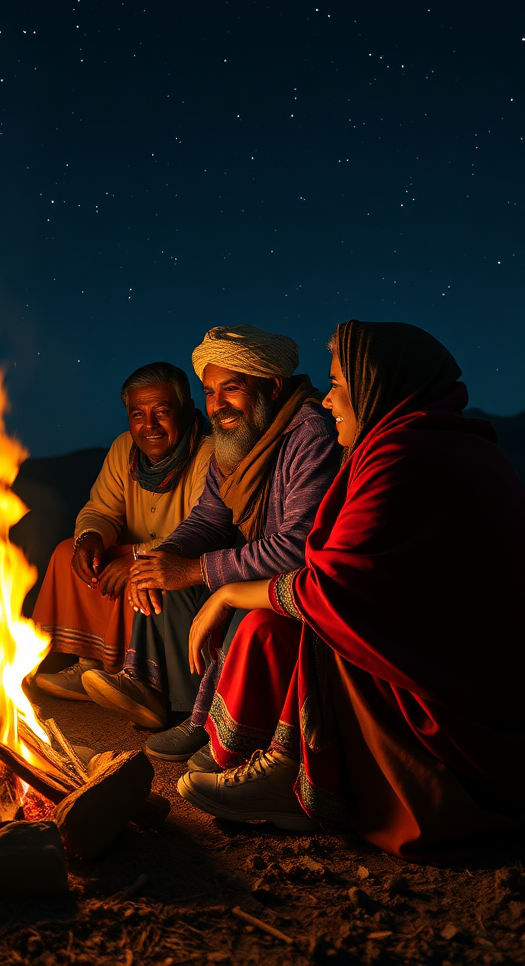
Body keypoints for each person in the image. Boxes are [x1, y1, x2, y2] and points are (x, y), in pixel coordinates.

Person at [178, 321, 525, 862]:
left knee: (303, 619)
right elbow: (224, 522)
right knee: (267, 611)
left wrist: (222, 590)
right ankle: (269, 757)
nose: (327, 396)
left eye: (340, 383)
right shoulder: (414, 444)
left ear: (375, 386)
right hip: (446, 647)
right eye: (210, 390)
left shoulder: (401, 456)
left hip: (455, 679)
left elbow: (337, 585)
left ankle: (301, 777)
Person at [81, 325, 340, 762]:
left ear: (272, 385)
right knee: (157, 569)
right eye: (210, 392)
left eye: (230, 389)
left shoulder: (309, 434)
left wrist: (196, 570)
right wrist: (165, 557)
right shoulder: (238, 433)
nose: (217, 405)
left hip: (298, 581)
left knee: (236, 604)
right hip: (255, 564)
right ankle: (155, 690)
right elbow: (209, 518)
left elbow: (298, 546)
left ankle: (214, 726)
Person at [33, 362, 213, 699]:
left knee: (143, 575)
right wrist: (90, 537)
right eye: (137, 415)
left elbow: (199, 530)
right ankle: (90, 666)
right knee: (68, 552)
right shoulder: (123, 450)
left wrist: (137, 558)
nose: (150, 426)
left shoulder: (207, 452)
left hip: (180, 560)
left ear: (187, 410)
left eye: (162, 412)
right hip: (143, 551)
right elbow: (101, 509)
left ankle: (135, 674)